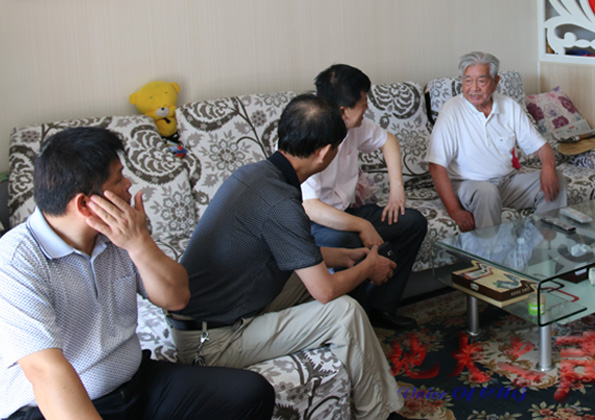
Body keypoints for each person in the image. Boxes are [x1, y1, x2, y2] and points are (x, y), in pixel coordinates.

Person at [0, 127, 275, 420]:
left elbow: (177, 298)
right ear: (85, 204)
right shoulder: (15, 261)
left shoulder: (120, 232)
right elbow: (45, 372)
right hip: (58, 406)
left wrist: (139, 243)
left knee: (251, 393)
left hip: (136, 384)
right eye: (118, 179)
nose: (128, 184)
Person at [169, 94, 407, 420]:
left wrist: (344, 256)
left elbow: (282, 250)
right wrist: (368, 268)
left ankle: (362, 385)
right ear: (324, 152)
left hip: (215, 310)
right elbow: (325, 291)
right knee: (344, 312)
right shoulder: (281, 203)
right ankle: (378, 415)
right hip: (212, 341)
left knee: (316, 275)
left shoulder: (254, 174)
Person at [301, 64, 427, 330]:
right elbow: (310, 207)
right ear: (343, 111)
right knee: (346, 241)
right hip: (313, 224)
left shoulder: (353, 125)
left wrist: (397, 190)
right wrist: (362, 225)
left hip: (346, 212)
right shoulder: (307, 133)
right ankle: (354, 321)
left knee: (412, 222)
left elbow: (388, 140)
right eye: (363, 102)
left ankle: (381, 307)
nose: (367, 107)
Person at [428, 51, 567, 232]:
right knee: (487, 192)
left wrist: (548, 166)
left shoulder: (509, 106)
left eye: (482, 81)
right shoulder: (451, 110)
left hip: (506, 183)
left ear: (495, 82)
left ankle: (543, 242)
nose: (474, 88)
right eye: (468, 80)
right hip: (468, 185)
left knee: (557, 179)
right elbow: (436, 165)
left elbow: (541, 147)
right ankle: (489, 250)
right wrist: (454, 210)